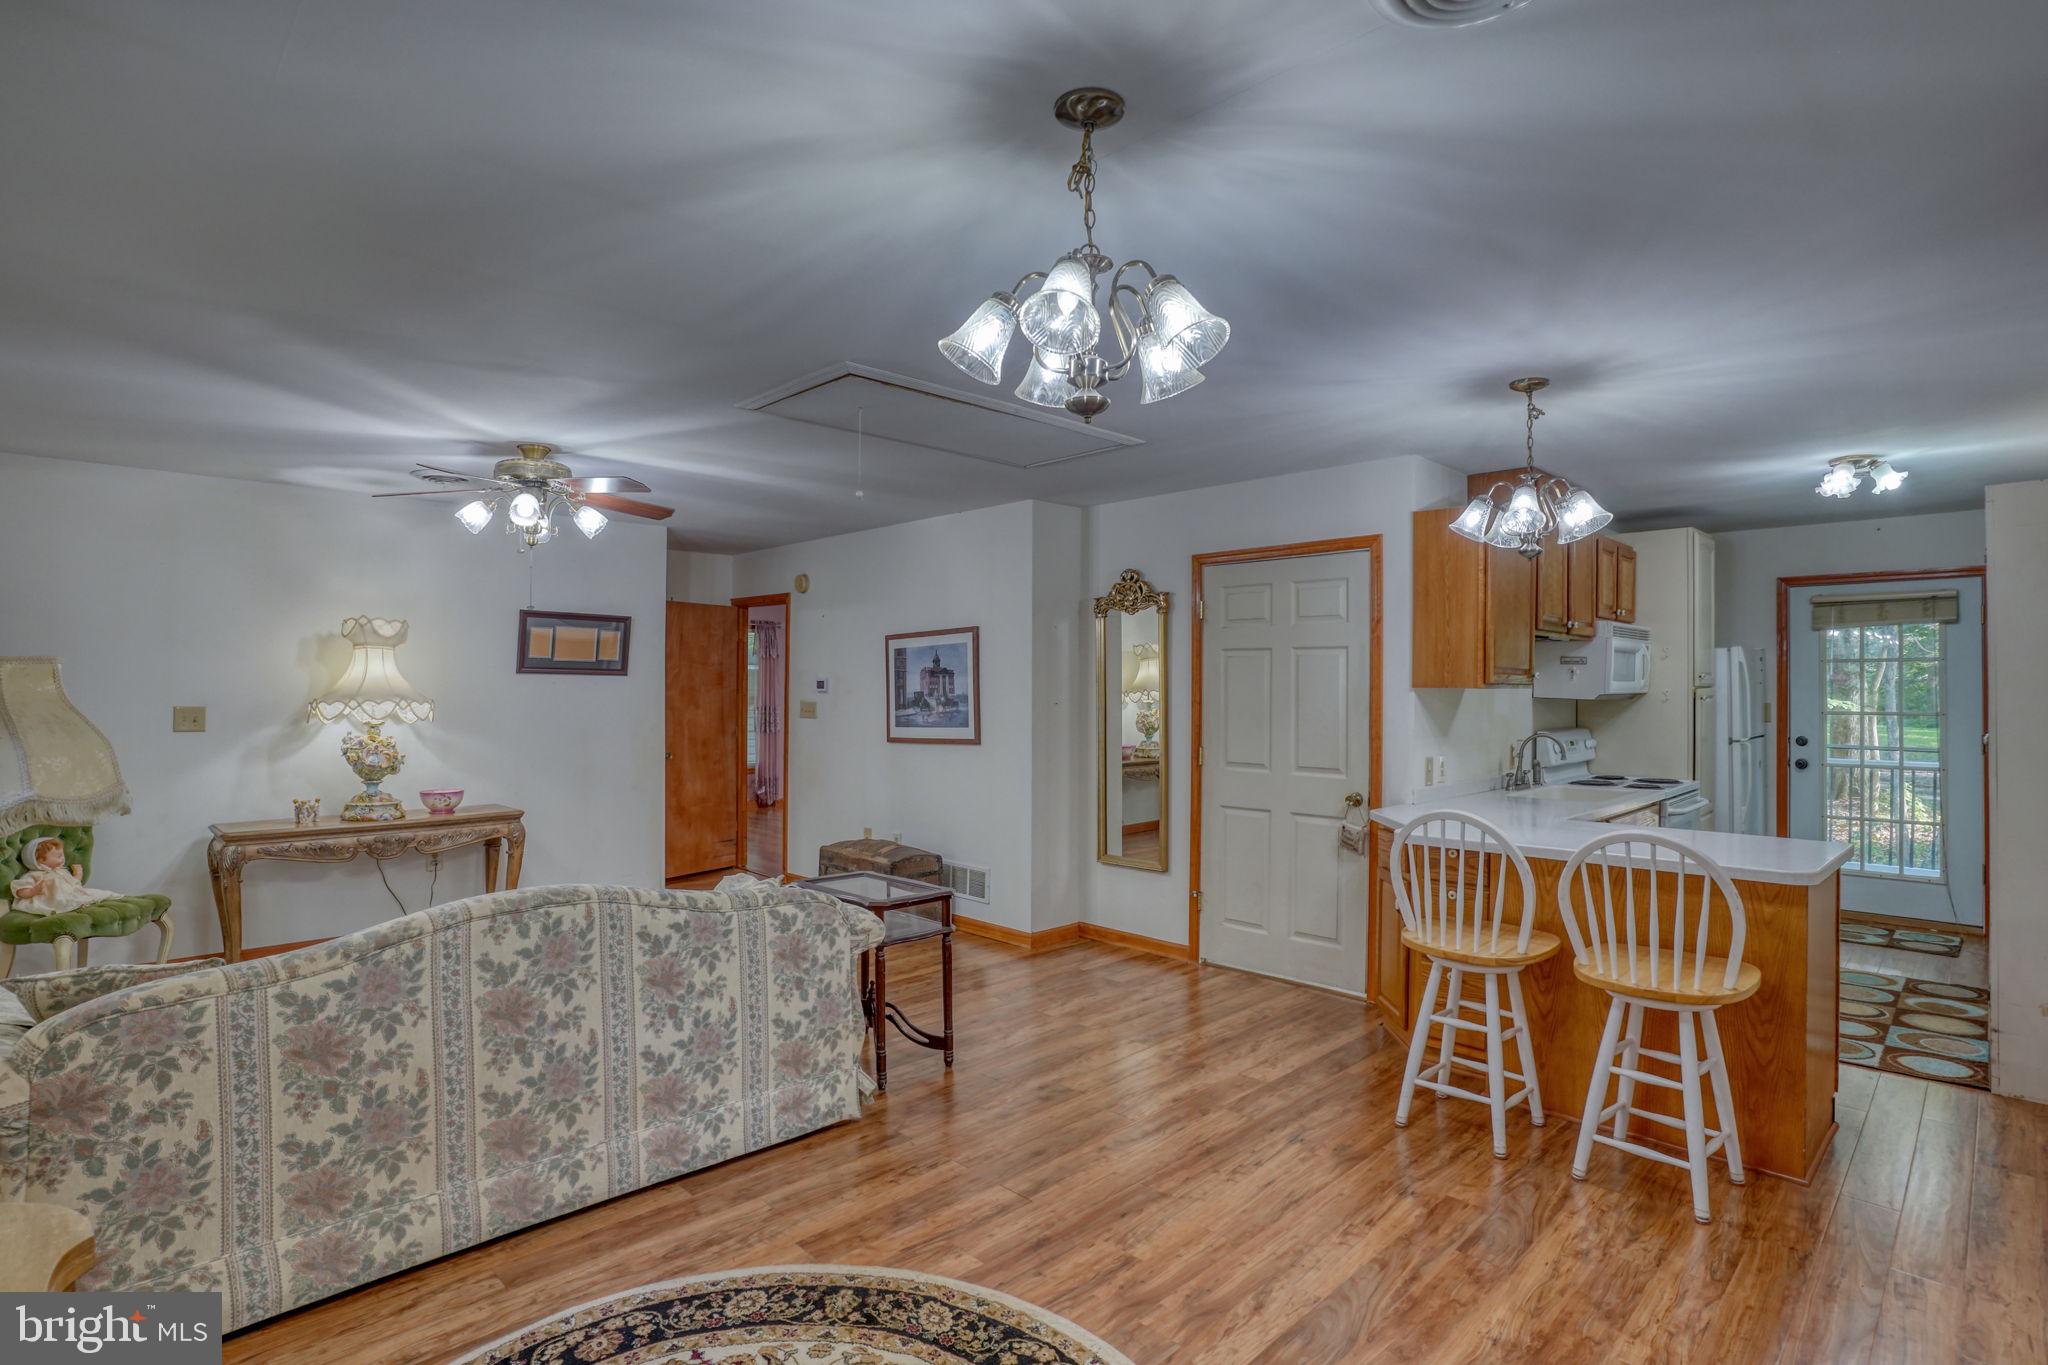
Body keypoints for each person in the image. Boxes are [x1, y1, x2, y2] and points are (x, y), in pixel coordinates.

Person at [9, 835, 118, 916]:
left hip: (70, 894)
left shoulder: (61, 871)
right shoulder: (34, 875)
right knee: (64, 900)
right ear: (40, 861)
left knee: (94, 893)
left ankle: (84, 902)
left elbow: (73, 885)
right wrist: (33, 891)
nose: (63, 858)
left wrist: (77, 875)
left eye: (62, 855)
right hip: (51, 899)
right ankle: (75, 905)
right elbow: (20, 890)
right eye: (58, 856)